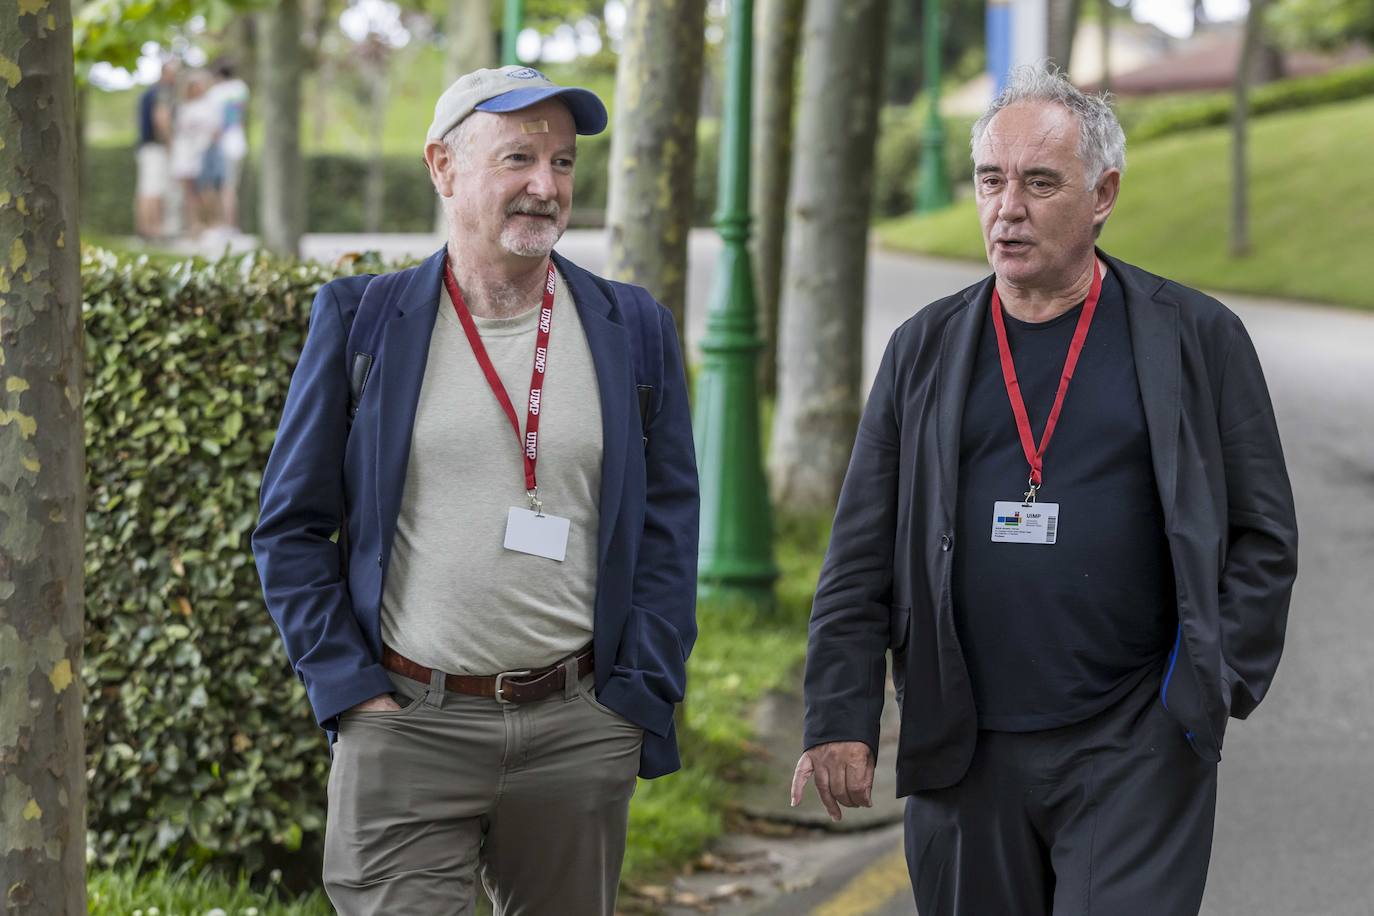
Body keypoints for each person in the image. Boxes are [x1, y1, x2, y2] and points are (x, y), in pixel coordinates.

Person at [791, 65, 1298, 915]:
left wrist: (1210, 686)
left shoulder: (1196, 339)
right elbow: (860, 550)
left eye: (1038, 182)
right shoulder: (925, 348)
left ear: (1102, 194)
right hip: (964, 744)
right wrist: (838, 711)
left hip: (1136, 744)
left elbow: (1263, 535)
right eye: (991, 180)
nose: (1006, 208)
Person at [252, 65, 699, 915]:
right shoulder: (363, 321)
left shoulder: (632, 327)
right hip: (409, 722)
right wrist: (351, 689)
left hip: (577, 729)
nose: (546, 186)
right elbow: (291, 527)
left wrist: (636, 693)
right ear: (442, 167)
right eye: (519, 158)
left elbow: (670, 522)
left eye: (563, 163)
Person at [169, 70, 223, 237]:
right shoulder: (183, 107)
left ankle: (213, 224)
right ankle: (194, 224)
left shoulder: (210, 106)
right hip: (185, 153)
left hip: (204, 153)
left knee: (207, 189)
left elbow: (216, 131)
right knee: (189, 192)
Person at [134, 60, 177, 240]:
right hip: (155, 147)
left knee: (145, 189)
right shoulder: (162, 93)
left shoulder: (148, 93)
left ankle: (145, 229)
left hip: (145, 147)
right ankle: (154, 230)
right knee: (154, 190)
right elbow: (161, 118)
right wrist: (170, 144)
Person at [206, 61, 249, 232]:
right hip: (239, 142)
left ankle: (227, 226)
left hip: (223, 144)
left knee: (224, 188)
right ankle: (232, 224)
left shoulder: (215, 93)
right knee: (231, 187)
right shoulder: (241, 88)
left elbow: (216, 122)